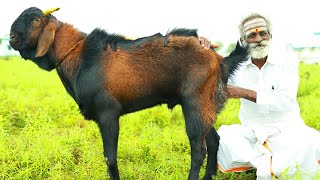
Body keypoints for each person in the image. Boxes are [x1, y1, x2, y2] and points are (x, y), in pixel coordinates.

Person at [200, 13, 320, 179]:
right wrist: (202, 49)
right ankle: (268, 160)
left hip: (288, 130)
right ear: (242, 41)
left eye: (263, 33)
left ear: (270, 36)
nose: (259, 39)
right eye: (252, 35)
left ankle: (263, 161)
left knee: (313, 143)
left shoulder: (287, 61)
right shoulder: (236, 64)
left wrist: (242, 92)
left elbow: (284, 101)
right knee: (226, 139)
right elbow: (209, 77)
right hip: (252, 132)